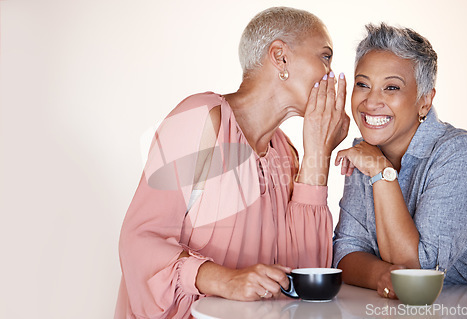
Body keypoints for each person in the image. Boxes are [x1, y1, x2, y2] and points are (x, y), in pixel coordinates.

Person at [115, 7, 350, 319]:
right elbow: (139, 239)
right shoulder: (202, 119)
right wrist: (225, 279)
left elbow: (305, 273)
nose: (331, 74)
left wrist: (317, 153)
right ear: (280, 57)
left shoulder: (287, 152)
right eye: (325, 56)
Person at [333, 23, 467, 300]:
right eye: (363, 84)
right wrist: (380, 275)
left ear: (424, 101)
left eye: (391, 87)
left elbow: (417, 272)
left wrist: (381, 173)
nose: (371, 101)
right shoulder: (367, 152)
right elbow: (346, 252)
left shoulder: (465, 155)